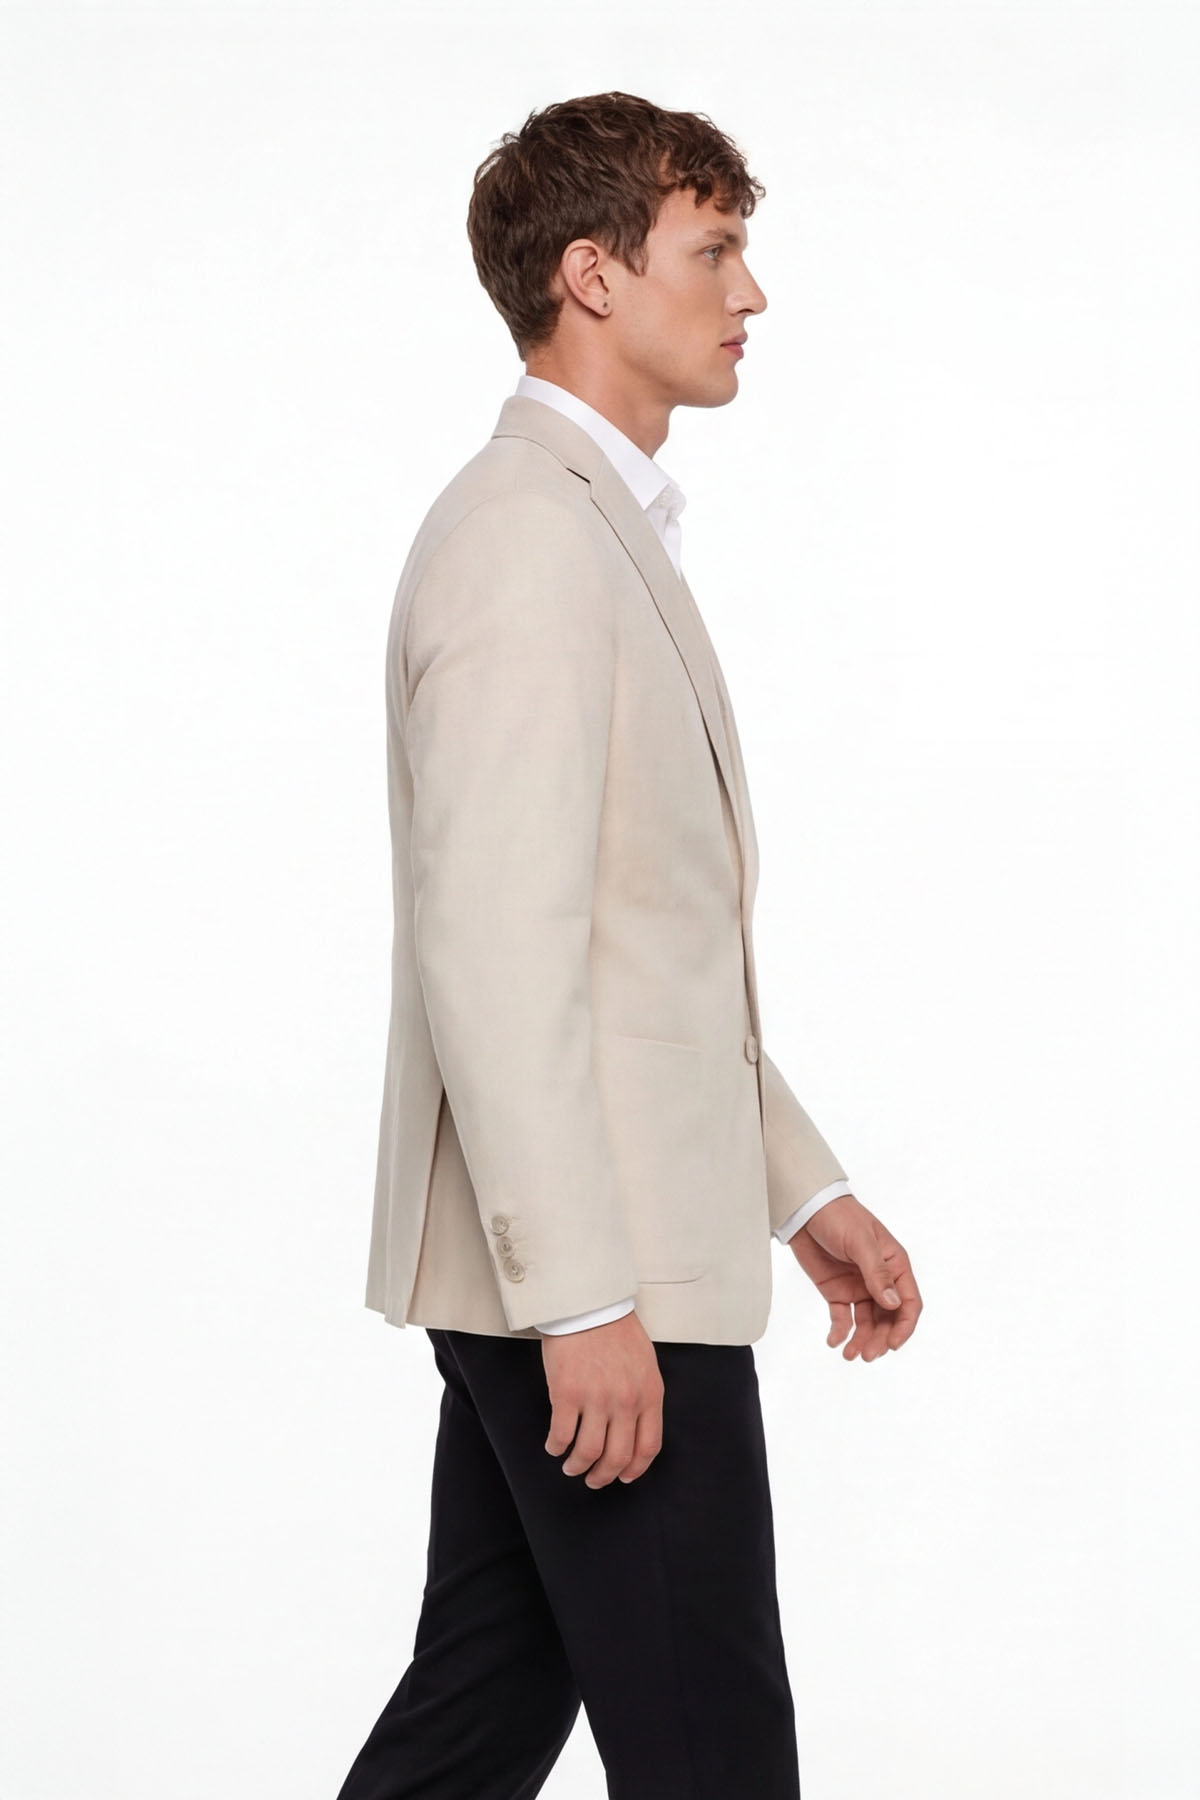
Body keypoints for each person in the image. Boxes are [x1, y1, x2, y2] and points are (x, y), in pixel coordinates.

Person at [336, 89, 922, 1800]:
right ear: (592, 275)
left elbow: (636, 957)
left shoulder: (585, 527)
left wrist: (801, 1189)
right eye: (714, 251)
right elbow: (495, 952)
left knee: (478, 1714)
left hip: (616, 1255)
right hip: (605, 1283)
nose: (752, 293)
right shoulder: (530, 543)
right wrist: (582, 1301)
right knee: (714, 1750)